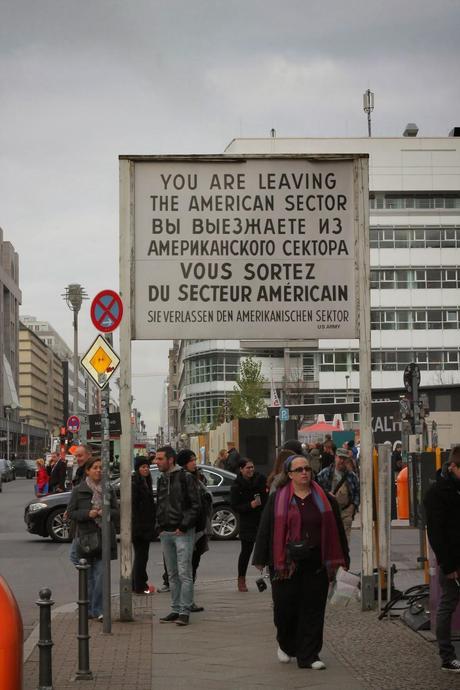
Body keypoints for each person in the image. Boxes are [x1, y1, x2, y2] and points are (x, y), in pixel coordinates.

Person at [253, 454, 349, 670]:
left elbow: (337, 530)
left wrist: (344, 557)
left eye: (307, 468)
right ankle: (286, 644)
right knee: (284, 609)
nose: (305, 472)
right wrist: (260, 557)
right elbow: (266, 528)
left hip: (316, 562)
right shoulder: (277, 499)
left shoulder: (324, 498)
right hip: (286, 564)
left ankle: (310, 654)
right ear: (289, 475)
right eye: (299, 469)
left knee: (313, 609)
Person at [68, 458, 119, 621]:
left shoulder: (108, 489)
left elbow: (117, 512)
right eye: (95, 468)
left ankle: (98, 610)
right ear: (88, 471)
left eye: (101, 468)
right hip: (87, 538)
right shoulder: (79, 490)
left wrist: (107, 513)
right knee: (89, 577)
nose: (99, 470)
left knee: (101, 577)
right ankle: (88, 608)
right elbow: (71, 513)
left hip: (104, 536)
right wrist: (87, 514)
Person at [424, 445, 460, 673]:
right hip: (453, 560)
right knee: (448, 603)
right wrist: (448, 565)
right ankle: (447, 655)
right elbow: (436, 533)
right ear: (453, 466)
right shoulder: (438, 493)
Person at [156, 445, 200, 626]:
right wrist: (158, 526)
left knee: (184, 572)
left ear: (170, 459)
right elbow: (160, 503)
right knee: (172, 574)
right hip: (166, 531)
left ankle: (184, 611)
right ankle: (175, 608)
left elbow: (195, 505)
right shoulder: (162, 479)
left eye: (160, 459)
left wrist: (183, 525)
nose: (156, 462)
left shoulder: (185, 477)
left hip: (181, 531)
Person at [177, 449, 212, 612]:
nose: (194, 463)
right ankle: (186, 602)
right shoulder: (185, 478)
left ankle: (187, 601)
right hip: (191, 527)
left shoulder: (196, 477)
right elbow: (191, 504)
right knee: (187, 566)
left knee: (193, 564)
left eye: (194, 460)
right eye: (191, 460)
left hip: (199, 527)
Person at [230, 458, 267, 591]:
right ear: (241, 470)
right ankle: (241, 579)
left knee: (267, 549)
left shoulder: (261, 479)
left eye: (252, 467)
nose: (251, 470)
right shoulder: (236, 486)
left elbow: (267, 497)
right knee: (246, 552)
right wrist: (249, 505)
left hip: (262, 519)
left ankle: (270, 576)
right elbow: (235, 506)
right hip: (247, 521)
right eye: (247, 468)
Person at [316, 447, 360, 539]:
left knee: (344, 539)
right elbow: (316, 489)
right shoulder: (325, 473)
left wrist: (353, 506)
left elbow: (357, 492)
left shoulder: (352, 476)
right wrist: (326, 495)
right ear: (335, 457)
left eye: (344, 459)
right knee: (330, 538)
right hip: (329, 510)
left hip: (346, 511)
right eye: (340, 458)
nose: (342, 461)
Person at [132, 456, 156, 595]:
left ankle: (137, 583)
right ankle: (140, 585)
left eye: (147, 467)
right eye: (142, 467)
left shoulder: (146, 481)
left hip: (145, 526)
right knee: (141, 556)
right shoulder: (135, 483)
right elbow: (136, 507)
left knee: (141, 556)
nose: (146, 469)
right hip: (140, 527)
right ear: (137, 469)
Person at [68, 445, 93, 566]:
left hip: (88, 523)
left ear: (89, 455)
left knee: (76, 556)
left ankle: (88, 583)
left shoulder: (90, 473)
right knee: (81, 557)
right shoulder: (80, 471)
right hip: (81, 521)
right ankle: (88, 583)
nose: (78, 458)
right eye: (76, 456)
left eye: (80, 455)